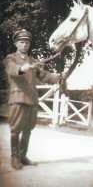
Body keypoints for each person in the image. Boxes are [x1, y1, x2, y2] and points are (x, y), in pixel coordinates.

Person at [4, 29, 66, 170]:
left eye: (27, 42)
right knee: (15, 129)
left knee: (28, 129)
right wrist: (21, 67)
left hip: (32, 99)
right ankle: (14, 159)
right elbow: (11, 69)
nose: (25, 44)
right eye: (21, 42)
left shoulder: (33, 61)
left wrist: (58, 76)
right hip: (18, 98)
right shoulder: (11, 58)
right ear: (16, 43)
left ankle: (22, 156)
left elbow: (44, 75)